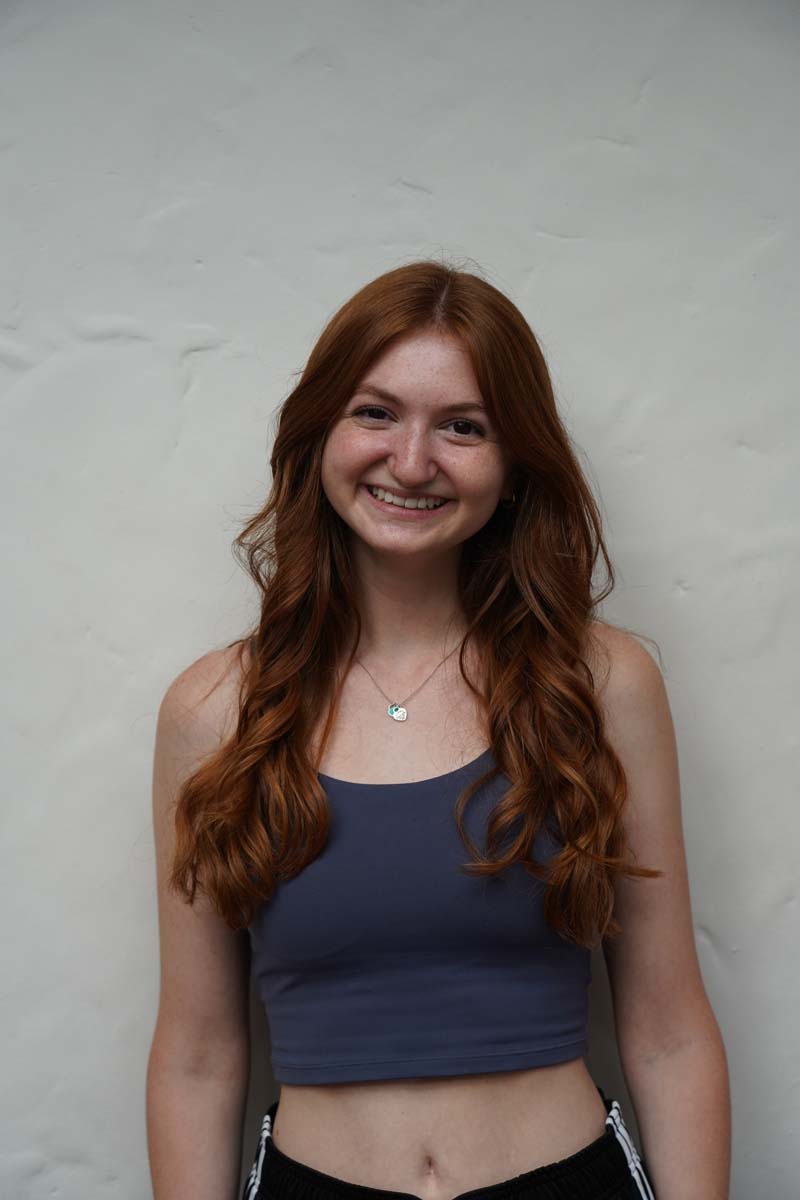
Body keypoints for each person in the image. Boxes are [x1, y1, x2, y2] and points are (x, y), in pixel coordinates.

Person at [146, 260, 731, 1200]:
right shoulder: (215, 712)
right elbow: (197, 1055)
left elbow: (666, 1028)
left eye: (463, 427)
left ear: (513, 465)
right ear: (319, 433)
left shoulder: (600, 682)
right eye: (375, 413)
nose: (412, 462)